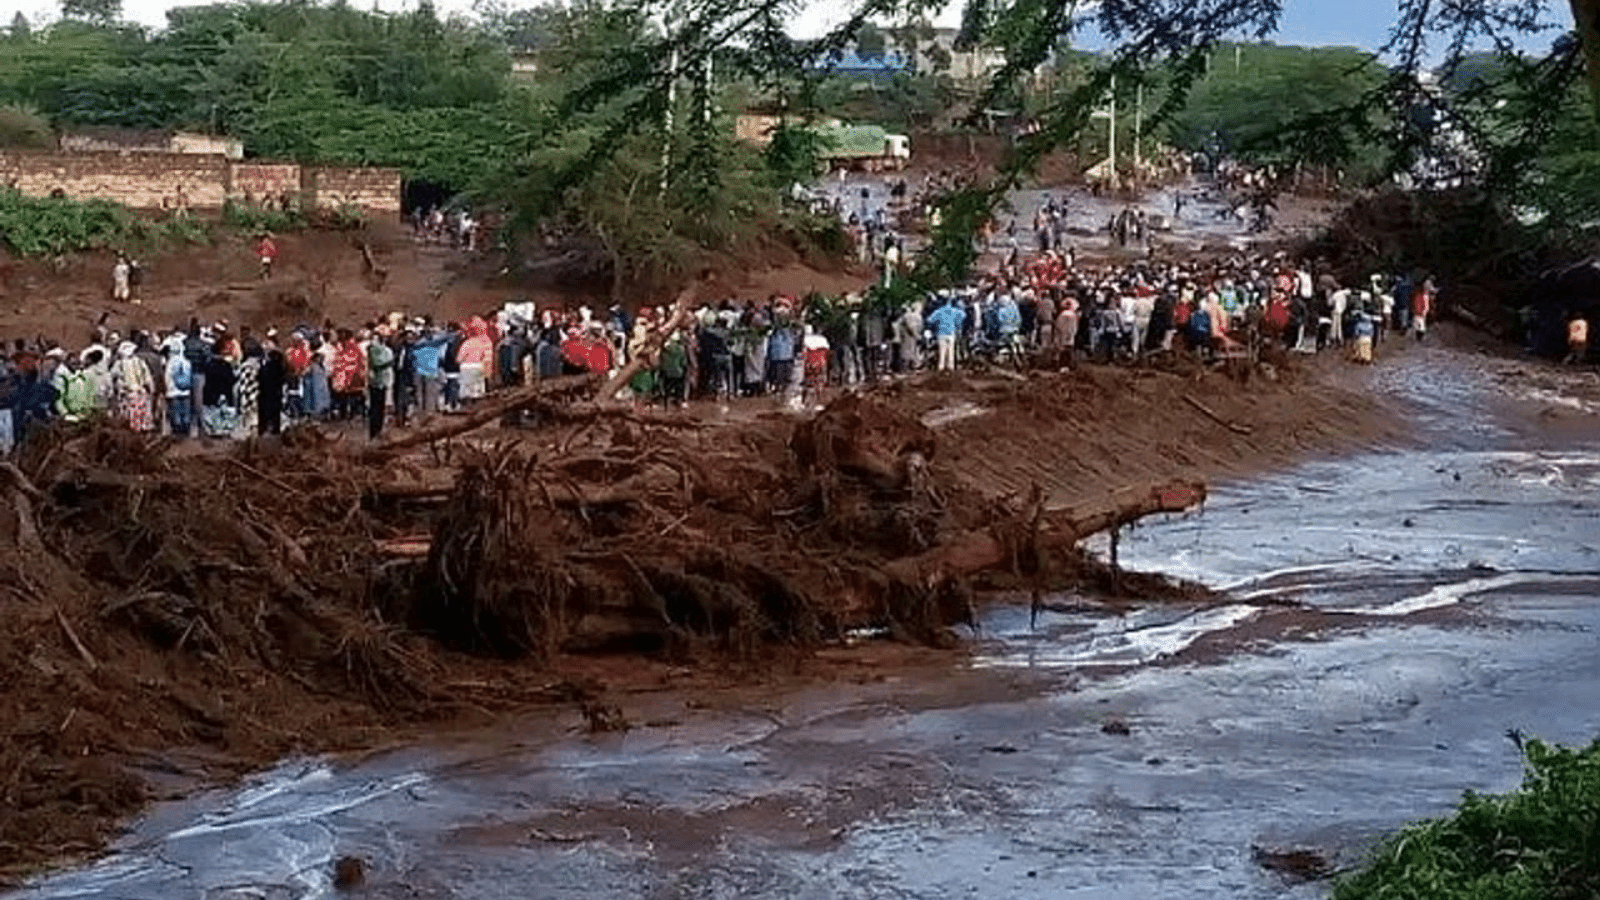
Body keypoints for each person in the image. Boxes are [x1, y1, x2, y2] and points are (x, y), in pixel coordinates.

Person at [110, 342, 155, 432]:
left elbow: (111, 376)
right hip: (140, 393)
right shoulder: (139, 362)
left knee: (130, 417)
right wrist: (152, 389)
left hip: (128, 395)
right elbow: (147, 378)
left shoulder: (119, 364)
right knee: (141, 415)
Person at [366, 327, 395, 439]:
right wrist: (389, 363)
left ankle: (379, 431)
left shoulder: (386, 349)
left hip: (385, 382)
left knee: (381, 408)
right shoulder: (374, 348)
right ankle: (374, 432)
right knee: (375, 409)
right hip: (376, 382)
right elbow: (376, 364)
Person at [163, 337, 193, 436]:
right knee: (186, 413)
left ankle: (177, 433)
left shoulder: (171, 362)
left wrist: (167, 390)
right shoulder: (187, 362)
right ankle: (186, 432)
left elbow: (167, 377)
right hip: (186, 391)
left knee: (176, 414)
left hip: (173, 392)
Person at [927, 297, 965, 371]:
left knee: (942, 352)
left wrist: (937, 323)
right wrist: (956, 322)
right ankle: (951, 368)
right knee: (951, 351)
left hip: (941, 333)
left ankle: (941, 368)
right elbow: (963, 315)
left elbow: (929, 320)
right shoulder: (954, 310)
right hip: (951, 333)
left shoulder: (939, 311)